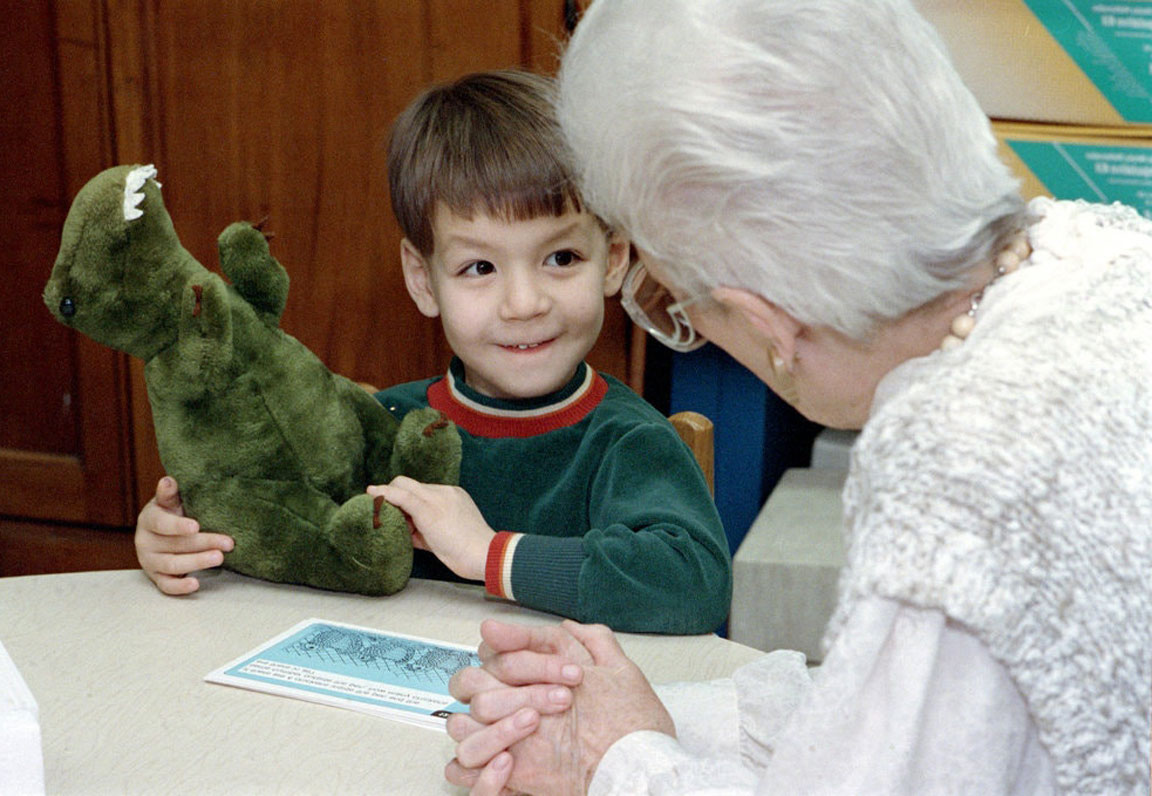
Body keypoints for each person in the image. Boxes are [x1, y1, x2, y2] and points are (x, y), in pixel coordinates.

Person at [442, 1, 1152, 793]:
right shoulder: (1099, 247)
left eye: (681, 306)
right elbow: (900, 716)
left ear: (768, 324)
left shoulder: (959, 462)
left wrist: (616, 763)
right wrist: (650, 715)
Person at [133, 69, 732, 635]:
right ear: (423, 280)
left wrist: (490, 554)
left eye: (561, 258)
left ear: (615, 261)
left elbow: (696, 582)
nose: (524, 302)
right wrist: (185, 541)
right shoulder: (377, 425)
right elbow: (276, 520)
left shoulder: (628, 442)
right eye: (479, 267)